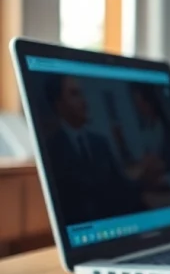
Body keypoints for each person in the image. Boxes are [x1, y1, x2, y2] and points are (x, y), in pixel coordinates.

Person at [43, 75, 145, 225]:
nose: (84, 101)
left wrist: (142, 175)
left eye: (82, 93)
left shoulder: (100, 142)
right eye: (75, 94)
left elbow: (121, 188)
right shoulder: (52, 149)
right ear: (59, 104)